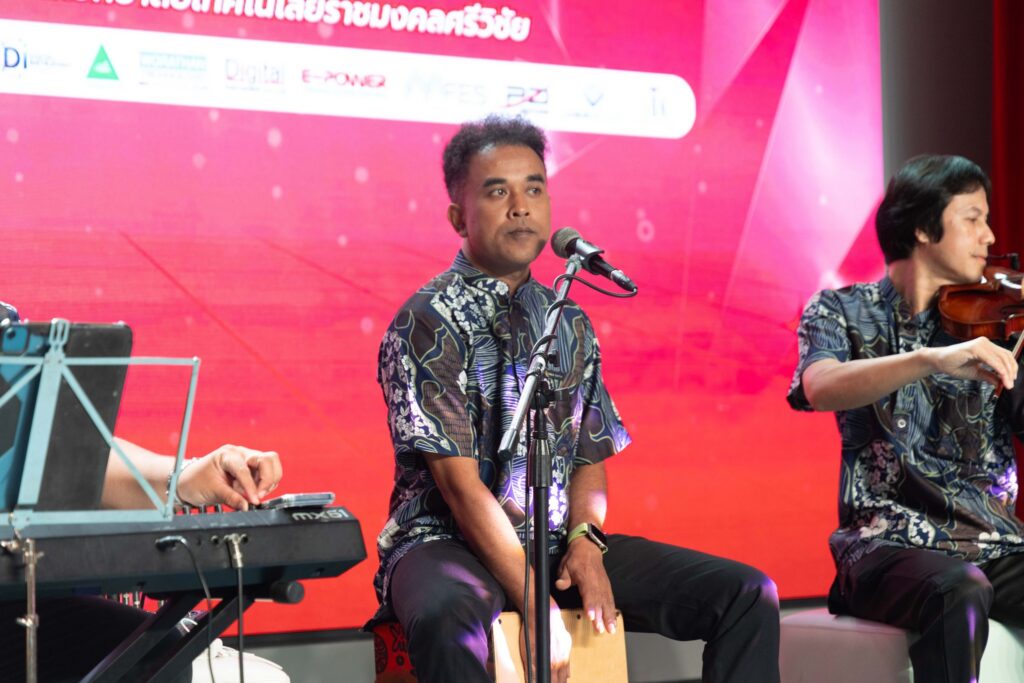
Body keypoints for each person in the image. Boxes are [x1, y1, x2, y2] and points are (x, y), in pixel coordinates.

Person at [367, 116, 780, 683]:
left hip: (555, 540)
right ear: (458, 217)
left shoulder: (569, 320)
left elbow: (588, 454)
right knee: (447, 614)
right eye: (498, 192)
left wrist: (586, 540)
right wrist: (535, 603)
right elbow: (459, 488)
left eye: (534, 189)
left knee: (746, 594)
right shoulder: (426, 319)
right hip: (443, 541)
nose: (521, 207)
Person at [788, 154, 1024, 683]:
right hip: (884, 546)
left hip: (996, 544)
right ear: (922, 228)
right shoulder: (840, 311)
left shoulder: (999, 320)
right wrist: (930, 359)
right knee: (960, 588)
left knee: (971, 578)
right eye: (973, 218)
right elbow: (819, 386)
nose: (989, 237)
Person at [0, 299, 283, 682]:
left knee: (155, 658)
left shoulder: (6, 328)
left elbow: (69, 456)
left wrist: (184, 478)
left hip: (14, 595)